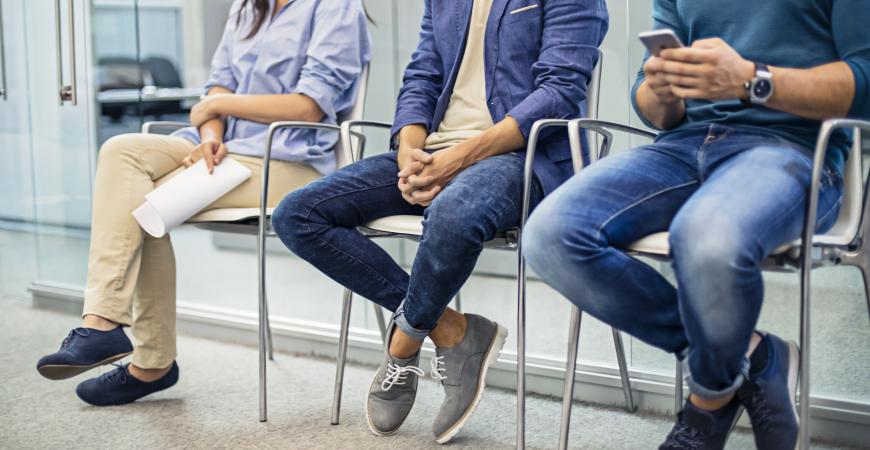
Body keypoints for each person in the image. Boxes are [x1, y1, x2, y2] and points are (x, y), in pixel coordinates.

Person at [523, 0, 870, 448]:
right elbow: (653, 108)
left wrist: (752, 80)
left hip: (793, 149)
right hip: (682, 146)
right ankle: (751, 354)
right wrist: (662, 90)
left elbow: (865, 81)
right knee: (551, 234)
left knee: (707, 238)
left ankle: (706, 404)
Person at [271, 0, 608, 443]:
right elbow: (423, 76)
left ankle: (404, 342)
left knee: (451, 215)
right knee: (297, 214)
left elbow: (559, 91)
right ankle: (453, 330)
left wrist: (458, 159)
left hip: (522, 157)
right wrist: (411, 148)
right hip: (436, 150)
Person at [36, 0, 371, 406]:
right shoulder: (248, 8)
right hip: (225, 151)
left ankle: (147, 359)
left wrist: (215, 107)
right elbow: (218, 83)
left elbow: (308, 104)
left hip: (289, 163)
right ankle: (106, 326)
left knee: (140, 202)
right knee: (121, 151)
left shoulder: (336, 7)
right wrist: (211, 134)